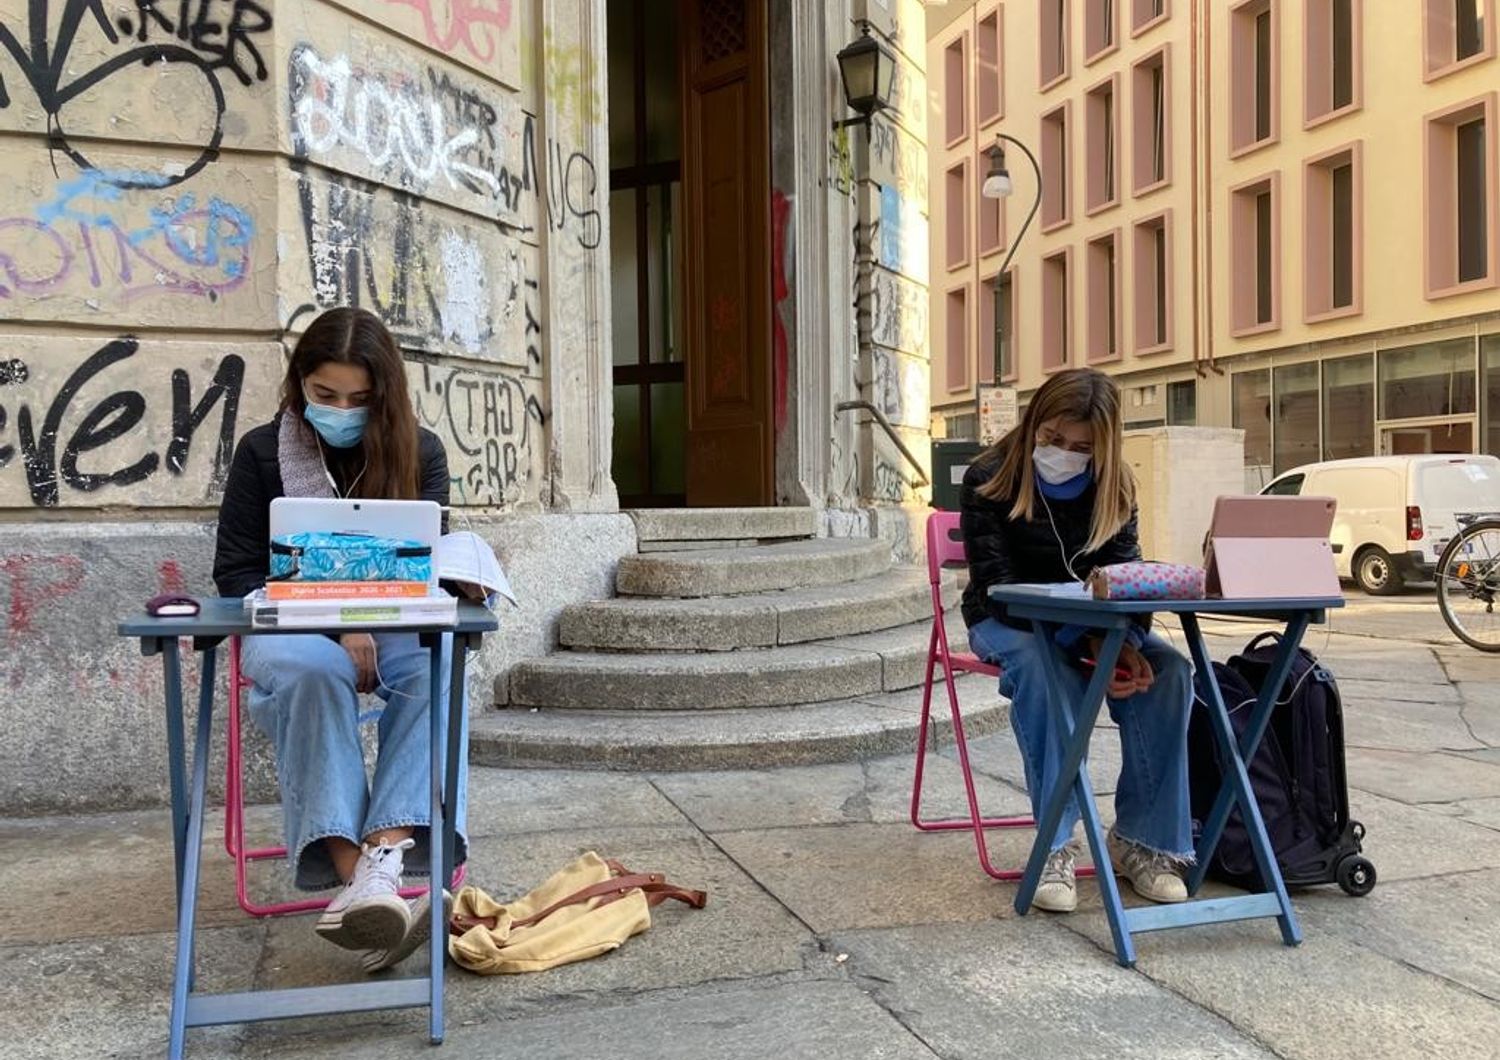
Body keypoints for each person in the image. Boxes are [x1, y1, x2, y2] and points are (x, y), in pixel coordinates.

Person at [213, 307, 464, 971]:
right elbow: (236, 572)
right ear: (299, 385)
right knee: (314, 671)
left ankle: (376, 865)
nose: (342, 410)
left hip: (398, 627)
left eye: (360, 398)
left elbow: (428, 563)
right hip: (292, 632)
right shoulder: (262, 453)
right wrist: (340, 619)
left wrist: (466, 577)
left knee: (438, 665)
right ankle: (369, 882)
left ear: (385, 394)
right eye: (325, 396)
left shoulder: (421, 451)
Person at [960, 367, 1196, 914]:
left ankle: (1143, 842)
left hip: (1093, 627)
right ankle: (1055, 843)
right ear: (1033, 421)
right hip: (1008, 623)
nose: (1063, 452)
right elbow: (997, 587)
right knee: (1047, 676)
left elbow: (1126, 575)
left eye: (1080, 447)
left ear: (1104, 447)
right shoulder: (988, 477)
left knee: (1173, 674)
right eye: (1051, 438)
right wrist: (1088, 645)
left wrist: (1128, 641)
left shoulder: (1116, 487)